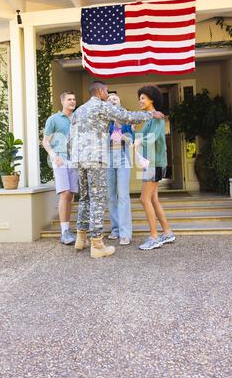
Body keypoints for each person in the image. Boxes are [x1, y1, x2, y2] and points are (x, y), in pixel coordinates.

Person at [69, 80, 164, 259]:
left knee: (85, 198)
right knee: (97, 199)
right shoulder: (101, 106)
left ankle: (81, 238)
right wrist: (151, 115)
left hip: (79, 159)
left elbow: (69, 137)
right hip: (95, 159)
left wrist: (73, 157)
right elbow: (127, 117)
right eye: (106, 91)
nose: (107, 94)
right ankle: (97, 244)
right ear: (100, 91)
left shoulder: (79, 110)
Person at [134, 85, 176, 250]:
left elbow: (154, 137)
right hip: (152, 163)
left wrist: (140, 141)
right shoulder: (149, 118)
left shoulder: (157, 117)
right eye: (140, 98)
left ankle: (154, 237)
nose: (140, 101)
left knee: (144, 199)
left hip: (154, 163)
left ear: (152, 99)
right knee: (153, 199)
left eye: (143, 98)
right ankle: (167, 232)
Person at [42, 91, 78, 245]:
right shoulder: (54, 119)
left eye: (74, 99)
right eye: (69, 99)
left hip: (75, 160)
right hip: (61, 159)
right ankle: (64, 232)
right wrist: (53, 155)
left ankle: (67, 228)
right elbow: (45, 141)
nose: (72, 101)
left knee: (71, 195)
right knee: (65, 193)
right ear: (62, 102)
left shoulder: (77, 119)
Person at [107, 93, 134, 246]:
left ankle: (125, 233)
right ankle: (115, 229)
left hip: (122, 158)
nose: (112, 101)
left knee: (123, 196)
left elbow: (130, 140)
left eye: (115, 99)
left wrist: (120, 133)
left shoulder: (126, 118)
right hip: (107, 158)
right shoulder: (103, 119)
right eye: (109, 99)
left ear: (120, 102)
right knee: (110, 196)